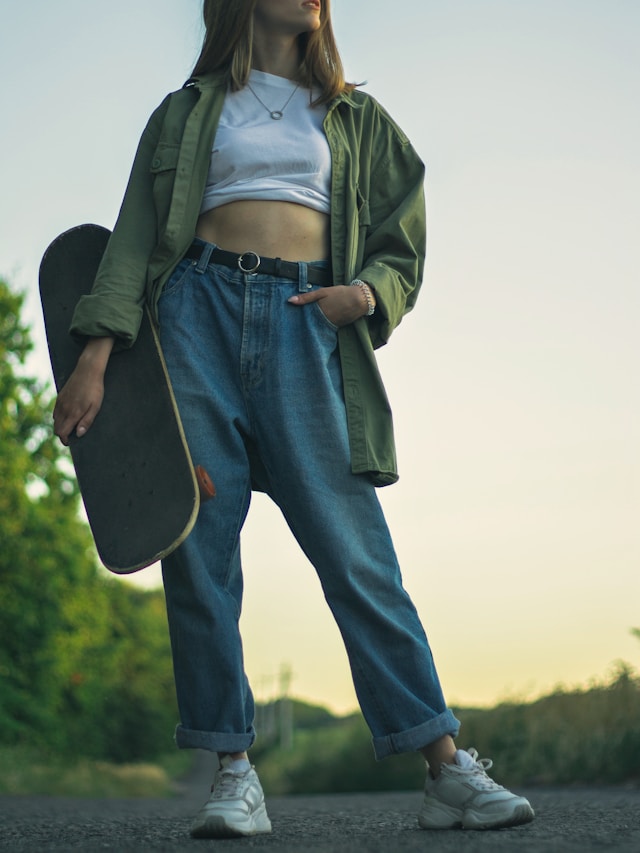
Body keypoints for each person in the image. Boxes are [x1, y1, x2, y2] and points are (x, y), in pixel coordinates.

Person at [53, 0, 534, 839]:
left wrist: (367, 295)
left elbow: (403, 237)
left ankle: (446, 767)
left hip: (307, 327)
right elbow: (132, 239)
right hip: (193, 322)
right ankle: (233, 773)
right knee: (199, 551)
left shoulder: (356, 119)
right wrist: (94, 357)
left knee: (357, 552)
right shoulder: (185, 111)